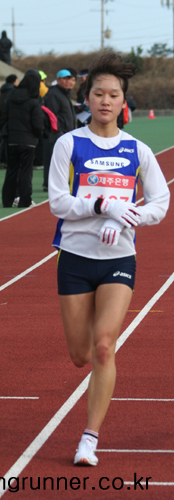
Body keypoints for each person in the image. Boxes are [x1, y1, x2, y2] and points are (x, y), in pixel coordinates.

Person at [48, 52, 170, 467]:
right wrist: (105, 205)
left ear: (124, 102)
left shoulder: (138, 150)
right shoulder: (70, 143)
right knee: (80, 353)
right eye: (98, 93)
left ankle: (89, 437)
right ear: (87, 99)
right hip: (76, 257)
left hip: (120, 257)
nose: (105, 100)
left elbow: (160, 202)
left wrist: (130, 215)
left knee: (104, 348)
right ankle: (88, 430)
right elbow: (57, 202)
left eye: (113, 94)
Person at [1, 72, 44, 207]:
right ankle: (25, 200)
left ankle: (7, 200)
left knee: (12, 171)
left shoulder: (11, 98)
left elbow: (4, 118)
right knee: (26, 171)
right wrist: (38, 135)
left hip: (12, 139)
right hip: (29, 140)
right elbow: (38, 123)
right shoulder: (34, 101)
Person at [43, 68, 77, 191]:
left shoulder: (65, 94)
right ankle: (50, 184)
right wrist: (59, 131)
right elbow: (52, 115)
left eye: (72, 79)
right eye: (65, 79)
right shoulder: (54, 94)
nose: (69, 82)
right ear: (58, 80)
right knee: (55, 160)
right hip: (58, 134)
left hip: (66, 134)